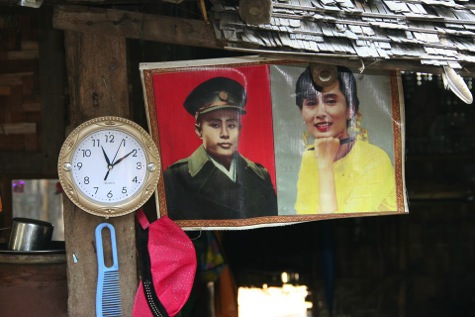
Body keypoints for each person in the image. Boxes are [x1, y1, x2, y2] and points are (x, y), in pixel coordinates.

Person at [164, 76, 278, 220]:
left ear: (240, 129)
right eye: (215, 125)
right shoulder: (176, 176)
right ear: (199, 130)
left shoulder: (260, 175)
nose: (225, 134)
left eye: (231, 125)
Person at [294, 66, 397, 214]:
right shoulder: (309, 158)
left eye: (330, 101)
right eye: (311, 103)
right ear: (301, 112)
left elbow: (338, 222)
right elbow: (305, 219)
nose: (320, 113)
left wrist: (324, 165)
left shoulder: (376, 160)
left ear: (350, 109)